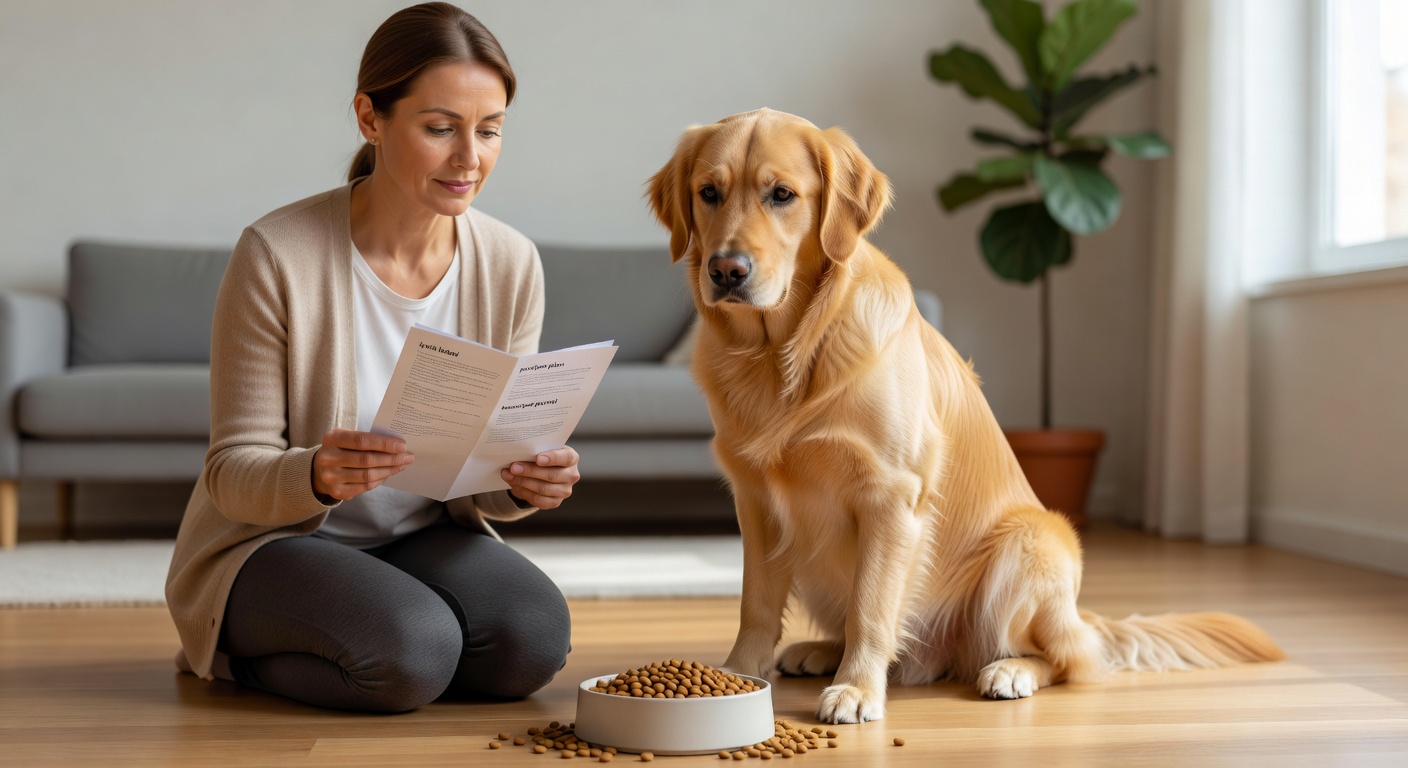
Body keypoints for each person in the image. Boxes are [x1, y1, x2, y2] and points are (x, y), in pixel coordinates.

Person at [165, 2, 576, 713]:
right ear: (370, 117)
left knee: (530, 641)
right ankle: (226, 650)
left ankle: (389, 626)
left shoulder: (511, 263)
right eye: (440, 128)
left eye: (489, 130)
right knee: (413, 653)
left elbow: (484, 483)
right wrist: (317, 474)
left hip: (421, 535)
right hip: (270, 544)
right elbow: (231, 474)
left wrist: (523, 481)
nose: (469, 159)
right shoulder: (276, 255)